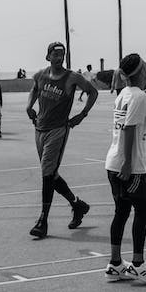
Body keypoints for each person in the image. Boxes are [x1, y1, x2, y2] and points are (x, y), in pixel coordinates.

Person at [25, 42, 97, 239]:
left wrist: (82, 115)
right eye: (55, 54)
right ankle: (77, 205)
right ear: (47, 56)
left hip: (58, 130)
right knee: (51, 174)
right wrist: (29, 105)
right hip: (40, 128)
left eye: (62, 54)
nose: (59, 57)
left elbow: (93, 92)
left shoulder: (72, 77)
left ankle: (43, 220)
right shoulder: (41, 74)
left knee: (47, 173)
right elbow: (34, 89)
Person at [102, 53, 146, 284]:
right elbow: (127, 130)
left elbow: (125, 130)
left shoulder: (123, 95)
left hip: (113, 161)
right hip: (127, 166)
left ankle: (115, 264)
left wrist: (140, 158)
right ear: (140, 72)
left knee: (122, 211)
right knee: (143, 210)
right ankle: (138, 264)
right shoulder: (140, 97)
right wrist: (130, 162)